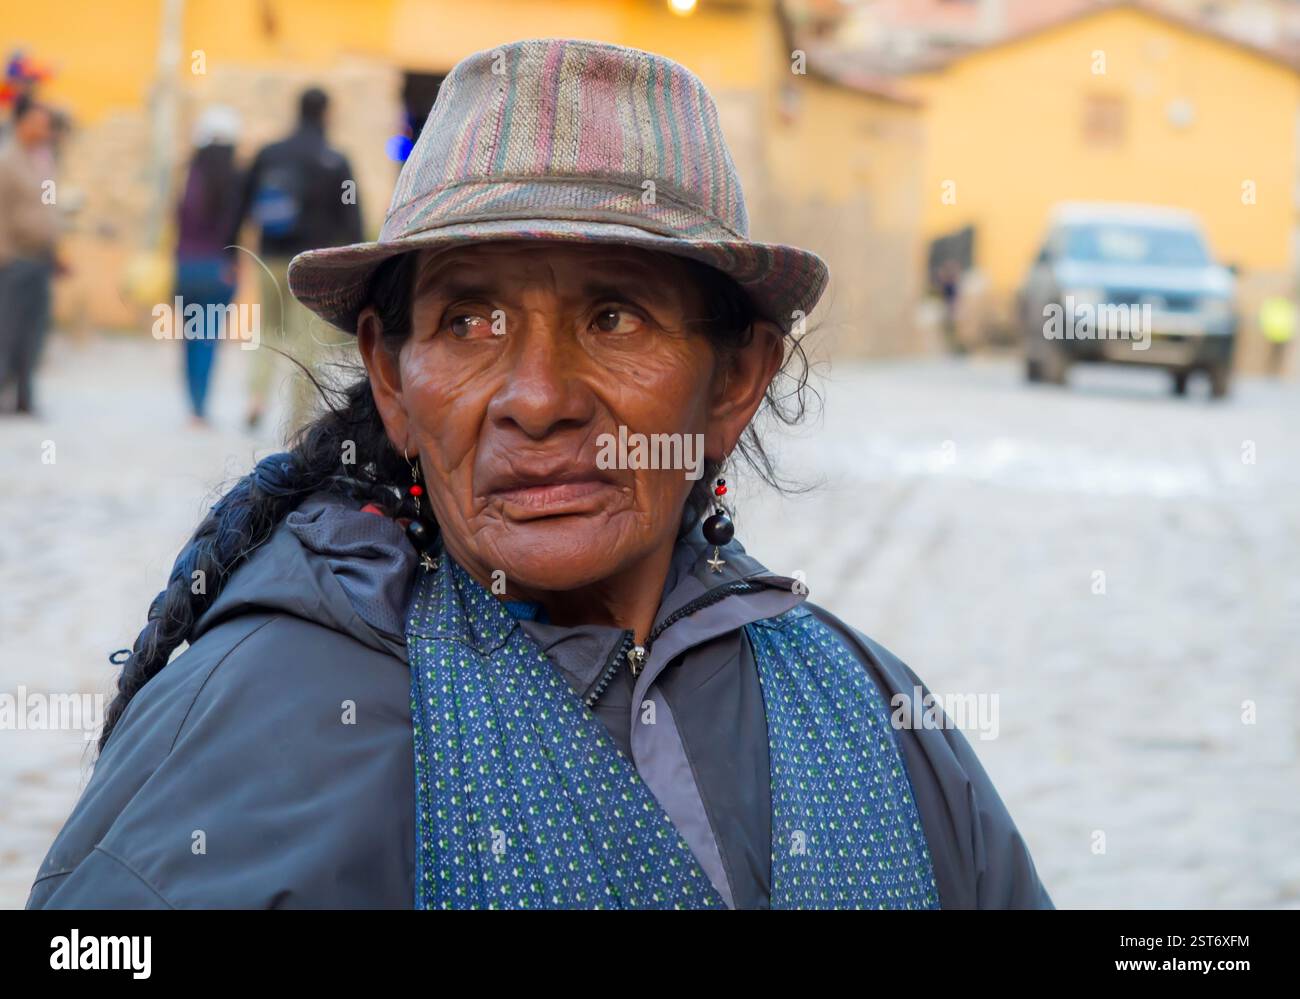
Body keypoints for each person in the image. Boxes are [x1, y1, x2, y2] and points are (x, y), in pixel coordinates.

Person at [28, 39, 1052, 910]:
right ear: (391, 375)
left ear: (735, 379)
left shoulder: (869, 723)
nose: (537, 396)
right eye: (469, 321)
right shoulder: (253, 740)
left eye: (615, 318)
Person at [230, 86, 362, 433]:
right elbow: (352, 219)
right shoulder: (334, 159)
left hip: (269, 258)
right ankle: (299, 420)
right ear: (326, 113)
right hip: (310, 266)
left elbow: (242, 203)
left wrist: (229, 248)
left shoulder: (270, 153)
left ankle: (255, 399)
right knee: (307, 342)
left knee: (269, 330)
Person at [173, 106, 243, 426]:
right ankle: (201, 406)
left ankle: (192, 404)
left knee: (189, 337)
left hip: (186, 266)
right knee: (207, 338)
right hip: (219, 268)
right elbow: (235, 228)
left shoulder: (187, 176)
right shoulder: (234, 179)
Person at [0, 94, 60, 415]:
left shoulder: (43, 159)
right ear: (21, 123)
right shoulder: (6, 161)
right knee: (6, 332)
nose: (44, 128)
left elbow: (45, 210)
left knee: (34, 333)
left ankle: (24, 397)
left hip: (40, 258)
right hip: (12, 260)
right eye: (39, 122)